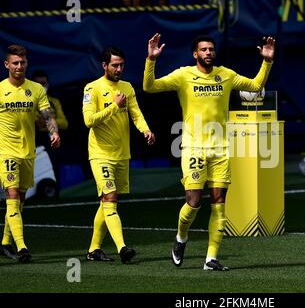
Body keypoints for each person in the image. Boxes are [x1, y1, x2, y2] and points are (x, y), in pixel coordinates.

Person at [143, 33, 275, 270]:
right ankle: (181, 237)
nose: (208, 53)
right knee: (193, 202)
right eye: (203, 50)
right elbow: (149, 87)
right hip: (194, 148)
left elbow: (255, 87)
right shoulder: (183, 75)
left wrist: (266, 61)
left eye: (211, 49)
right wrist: (151, 60)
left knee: (219, 203)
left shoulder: (226, 75)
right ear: (195, 54)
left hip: (221, 149)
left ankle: (211, 259)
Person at [82, 47, 155, 264]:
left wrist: (146, 130)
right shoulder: (92, 88)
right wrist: (114, 106)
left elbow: (136, 113)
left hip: (122, 154)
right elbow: (89, 121)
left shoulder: (127, 87)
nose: (119, 69)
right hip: (100, 153)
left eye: (122, 65)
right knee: (110, 198)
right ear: (104, 65)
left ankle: (94, 249)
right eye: (115, 65)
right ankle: (122, 248)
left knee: (108, 201)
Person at [0, 44, 61, 263]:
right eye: (15, 62)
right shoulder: (0, 89)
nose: (19, 66)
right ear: (7, 64)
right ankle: (22, 246)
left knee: (21, 197)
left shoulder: (35, 89)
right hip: (6, 152)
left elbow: (47, 115)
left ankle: (5, 242)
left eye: (22, 62)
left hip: (28, 152)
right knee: (13, 195)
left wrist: (54, 132)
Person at [32, 70, 68, 189]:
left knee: (55, 164)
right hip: (35, 139)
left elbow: (64, 123)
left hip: (52, 137)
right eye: (38, 84)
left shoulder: (54, 102)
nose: (42, 86)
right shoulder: (27, 102)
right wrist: (36, 123)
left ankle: (55, 191)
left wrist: (48, 121)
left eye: (44, 83)